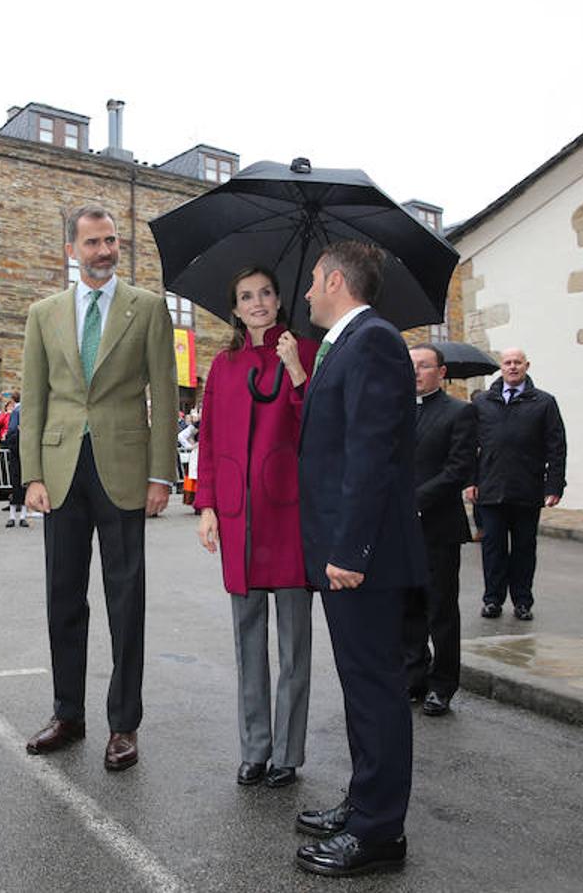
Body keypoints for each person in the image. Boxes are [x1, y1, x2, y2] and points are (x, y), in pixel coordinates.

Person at [21, 205, 178, 772]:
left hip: (125, 466)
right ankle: (68, 714)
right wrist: (32, 475)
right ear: (72, 250)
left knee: (125, 598)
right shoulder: (43, 314)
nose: (104, 250)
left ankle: (123, 724)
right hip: (62, 468)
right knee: (63, 597)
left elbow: (165, 393)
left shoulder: (148, 308)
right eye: (92, 242)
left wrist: (162, 475)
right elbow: (34, 397)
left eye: (111, 240)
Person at [292, 241, 426, 877]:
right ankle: (365, 801)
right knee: (360, 688)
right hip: (344, 551)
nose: (309, 292)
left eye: (316, 281)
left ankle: (379, 834)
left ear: (338, 279)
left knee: (375, 690)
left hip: (361, 556)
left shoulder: (371, 340)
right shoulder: (343, 345)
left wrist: (350, 549)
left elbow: (370, 455)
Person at [195, 265, 318, 789]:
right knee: (248, 641)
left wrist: (295, 372)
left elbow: (316, 424)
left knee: (293, 643)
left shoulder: (306, 352)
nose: (258, 302)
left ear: (279, 300)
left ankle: (288, 754)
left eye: (265, 293)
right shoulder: (223, 366)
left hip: (288, 513)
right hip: (239, 515)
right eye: (247, 296)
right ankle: (255, 748)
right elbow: (208, 438)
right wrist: (208, 506)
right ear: (236, 307)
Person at [465, 348, 566, 620]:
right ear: (501, 367)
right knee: (493, 548)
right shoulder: (483, 403)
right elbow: (469, 446)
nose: (512, 367)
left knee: (524, 549)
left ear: (526, 366)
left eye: (517, 363)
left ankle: (523, 601)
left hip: (527, 488)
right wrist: (470, 481)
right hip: (491, 489)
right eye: (508, 363)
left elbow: (556, 447)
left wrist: (554, 486)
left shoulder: (544, 403)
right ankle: (492, 600)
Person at [404, 344, 477, 716]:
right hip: (401, 530)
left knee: (440, 610)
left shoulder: (459, 413)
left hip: (438, 527)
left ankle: (442, 684)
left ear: (441, 372)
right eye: (411, 365)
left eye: (424, 366)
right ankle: (413, 677)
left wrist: (415, 500)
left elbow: (458, 469)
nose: (415, 372)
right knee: (408, 608)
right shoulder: (396, 412)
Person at [3, 395, 28, 528]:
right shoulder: (17, 412)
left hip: (25, 454)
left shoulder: (20, 412)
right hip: (16, 454)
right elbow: (10, 436)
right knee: (16, 485)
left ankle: (22, 516)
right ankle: (13, 516)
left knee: (23, 486)